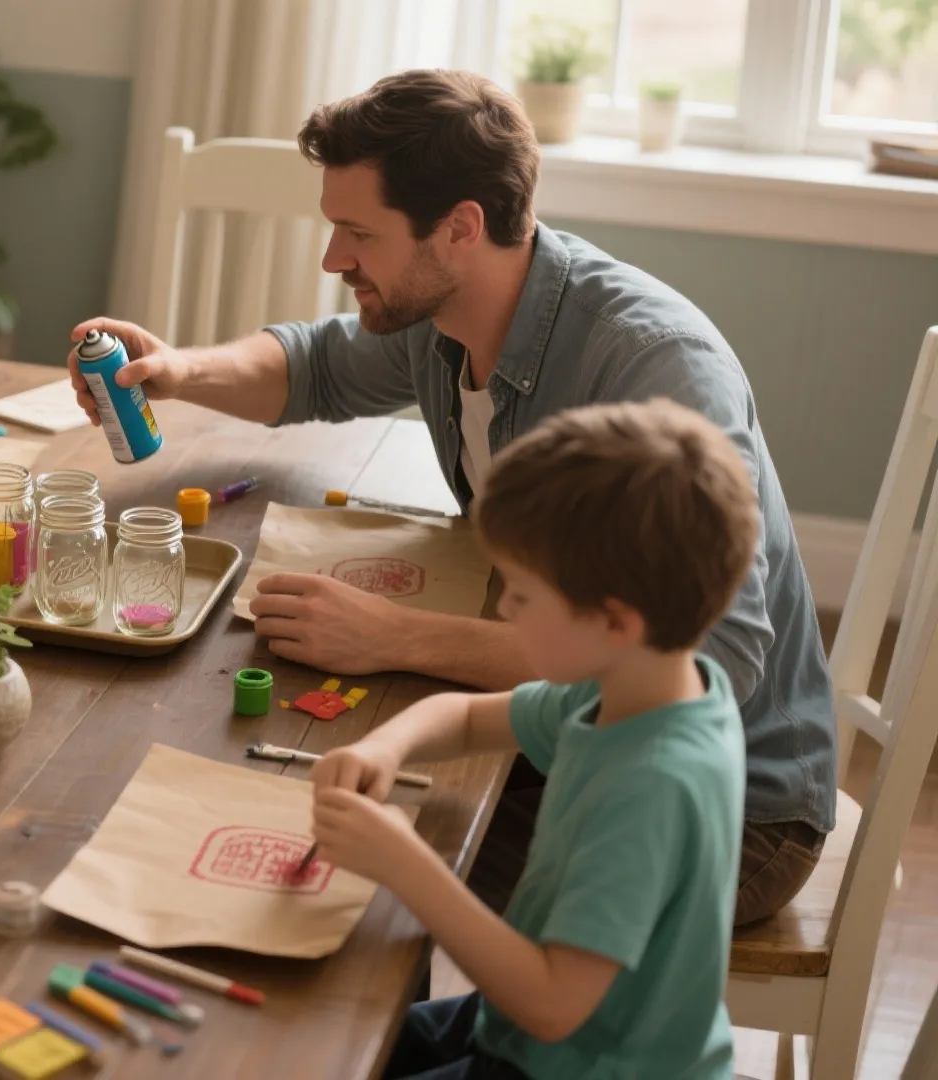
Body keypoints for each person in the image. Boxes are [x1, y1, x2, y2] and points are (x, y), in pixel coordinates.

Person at [67, 68, 833, 925]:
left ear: (460, 228)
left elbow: (707, 668)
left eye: (359, 232)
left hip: (728, 812)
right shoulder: (443, 315)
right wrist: (175, 371)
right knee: (279, 810)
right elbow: (315, 365)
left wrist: (399, 637)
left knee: (339, 892)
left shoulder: (656, 366)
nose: (334, 260)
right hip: (573, 732)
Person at [312, 400, 752, 1079]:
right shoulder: (638, 688)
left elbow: (553, 1004)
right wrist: (382, 748)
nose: (506, 609)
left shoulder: (653, 784)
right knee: (334, 1036)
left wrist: (405, 863)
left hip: (583, 1063)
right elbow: (463, 719)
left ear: (615, 622)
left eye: (521, 594)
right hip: (534, 1031)